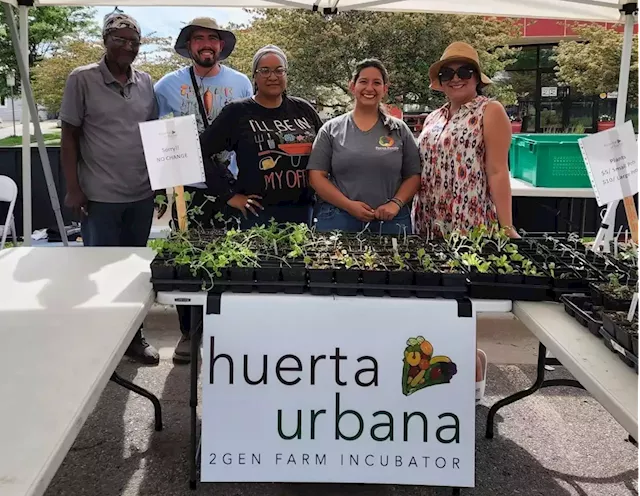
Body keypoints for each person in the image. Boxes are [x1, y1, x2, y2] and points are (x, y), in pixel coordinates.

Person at [412, 41, 517, 403]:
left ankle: (471, 367)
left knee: (462, 299)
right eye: (447, 73)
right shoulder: (432, 117)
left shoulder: (491, 110)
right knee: (433, 298)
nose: (455, 79)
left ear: (477, 77)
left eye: (463, 72)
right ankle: (441, 370)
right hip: (430, 218)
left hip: (467, 219)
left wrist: (507, 226)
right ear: (439, 81)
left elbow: (498, 171)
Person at [59, 11, 160, 365]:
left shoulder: (146, 82)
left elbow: (155, 138)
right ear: (105, 40)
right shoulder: (81, 79)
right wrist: (73, 188)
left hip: (141, 195)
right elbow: (68, 136)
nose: (128, 47)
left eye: (134, 42)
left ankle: (134, 337)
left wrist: (159, 184)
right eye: (120, 39)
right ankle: (99, 343)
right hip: (99, 197)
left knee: (134, 275)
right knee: (99, 275)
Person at [154, 18, 252, 364]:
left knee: (229, 259)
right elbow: (155, 134)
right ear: (189, 46)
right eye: (199, 39)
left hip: (230, 187)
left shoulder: (241, 83)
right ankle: (188, 334)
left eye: (213, 38)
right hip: (188, 191)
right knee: (187, 262)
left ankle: (223, 331)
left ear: (221, 45)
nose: (206, 44)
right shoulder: (166, 86)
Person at [200, 45, 322, 229]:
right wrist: (228, 194)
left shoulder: (303, 109)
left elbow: (326, 153)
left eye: (279, 70)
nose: (272, 76)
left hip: (303, 211)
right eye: (264, 70)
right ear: (255, 76)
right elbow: (200, 152)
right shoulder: (238, 112)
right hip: (257, 215)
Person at [307, 59, 421, 234]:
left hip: (391, 221)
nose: (369, 88)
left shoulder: (399, 130)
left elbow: (413, 175)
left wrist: (395, 203)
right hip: (339, 218)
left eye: (377, 83)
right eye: (363, 81)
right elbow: (316, 177)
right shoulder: (331, 129)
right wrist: (348, 205)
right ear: (352, 86)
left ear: (385, 89)